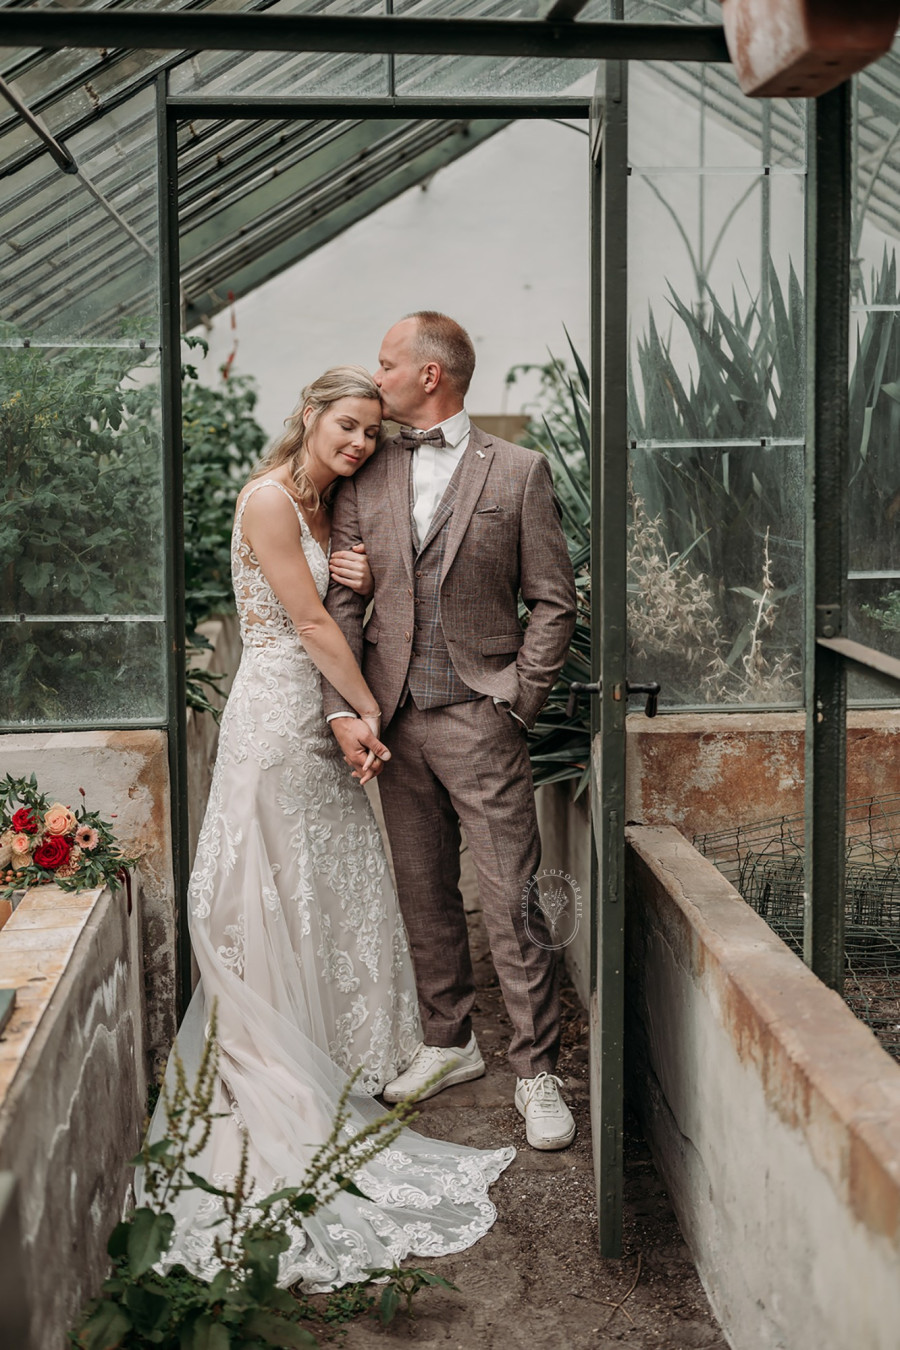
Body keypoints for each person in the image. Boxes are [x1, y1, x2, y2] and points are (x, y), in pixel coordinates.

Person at [138, 366, 514, 1291]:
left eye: (368, 436)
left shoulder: (330, 507)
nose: (356, 444)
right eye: (345, 426)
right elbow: (305, 620)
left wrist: (365, 573)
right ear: (308, 414)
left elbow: (357, 596)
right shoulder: (268, 499)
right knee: (273, 881)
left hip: (327, 720)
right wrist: (367, 709)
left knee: (330, 879)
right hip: (280, 716)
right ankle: (280, 1054)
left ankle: (339, 1045)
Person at [323, 315, 579, 1151]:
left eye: (389, 364)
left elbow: (552, 598)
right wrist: (352, 706)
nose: (378, 374)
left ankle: (537, 1071)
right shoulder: (366, 470)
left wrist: (521, 700)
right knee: (423, 890)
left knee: (511, 898)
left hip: (482, 716)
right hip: (393, 720)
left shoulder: (519, 470)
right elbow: (345, 600)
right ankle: (450, 1042)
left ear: (432, 376)